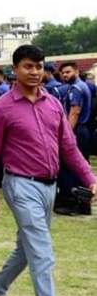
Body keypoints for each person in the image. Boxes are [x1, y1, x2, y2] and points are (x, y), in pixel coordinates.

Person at [0, 45, 97, 296]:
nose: (34, 72)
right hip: (20, 186)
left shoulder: (53, 103)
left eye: (38, 66)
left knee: (27, 247)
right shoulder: (2, 108)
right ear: (15, 70)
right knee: (42, 252)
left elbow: (68, 147)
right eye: (28, 66)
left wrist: (90, 178)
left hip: (49, 188)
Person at [55, 61, 94, 216]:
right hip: (84, 130)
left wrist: (67, 135)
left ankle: (73, 204)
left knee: (71, 168)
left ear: (77, 72)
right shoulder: (84, 85)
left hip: (77, 129)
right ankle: (84, 204)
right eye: (63, 73)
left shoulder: (75, 88)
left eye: (68, 72)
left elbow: (74, 112)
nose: (65, 75)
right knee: (81, 166)